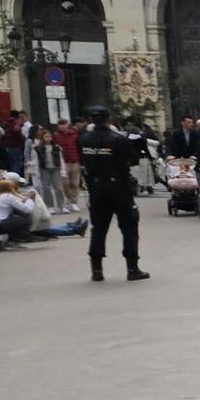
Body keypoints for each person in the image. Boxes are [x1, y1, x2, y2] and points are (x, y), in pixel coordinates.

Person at [79, 106, 150, 282]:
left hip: (95, 187)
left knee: (98, 229)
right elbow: (134, 159)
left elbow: (83, 160)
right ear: (109, 119)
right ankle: (132, 268)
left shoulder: (83, 139)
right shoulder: (118, 139)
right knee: (129, 227)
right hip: (119, 187)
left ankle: (96, 270)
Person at [29, 126, 67, 214]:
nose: (48, 138)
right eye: (46, 136)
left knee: (58, 188)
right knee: (46, 188)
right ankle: (50, 206)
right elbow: (36, 161)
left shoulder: (57, 148)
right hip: (44, 169)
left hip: (56, 169)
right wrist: (36, 172)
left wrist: (63, 171)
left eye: (50, 136)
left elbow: (61, 160)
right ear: (42, 138)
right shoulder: (37, 148)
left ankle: (62, 206)